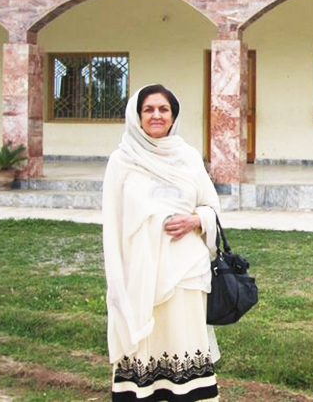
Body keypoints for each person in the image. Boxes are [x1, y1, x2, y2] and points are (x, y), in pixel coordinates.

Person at [102, 84, 221, 401]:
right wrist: (116, 281)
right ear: (137, 116)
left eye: (163, 109)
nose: (156, 115)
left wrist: (197, 220)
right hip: (140, 273)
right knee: (144, 343)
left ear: (173, 115)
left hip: (186, 272)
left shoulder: (188, 157)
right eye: (149, 109)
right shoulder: (121, 161)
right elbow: (111, 224)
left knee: (183, 340)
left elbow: (212, 208)